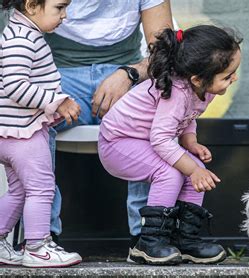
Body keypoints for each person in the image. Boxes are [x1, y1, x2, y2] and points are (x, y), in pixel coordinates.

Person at [98, 25, 242, 265]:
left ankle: (186, 240)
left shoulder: (201, 88)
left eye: (234, 72)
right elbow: (162, 139)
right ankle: (148, 243)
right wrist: (194, 170)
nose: (233, 78)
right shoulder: (176, 91)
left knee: (192, 166)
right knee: (171, 173)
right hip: (118, 143)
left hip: (145, 140)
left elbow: (187, 117)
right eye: (227, 76)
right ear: (197, 78)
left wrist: (190, 142)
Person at [41, 0, 172, 260]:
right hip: (57, 73)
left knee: (155, 115)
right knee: (32, 122)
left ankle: (147, 236)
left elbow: (166, 51)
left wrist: (130, 74)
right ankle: (41, 237)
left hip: (126, 73)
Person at [0, 0, 82, 267]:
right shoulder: (22, 38)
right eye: (59, 8)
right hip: (23, 132)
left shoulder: (22, 32)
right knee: (41, 188)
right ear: (32, 6)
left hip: (14, 131)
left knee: (20, 190)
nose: (64, 16)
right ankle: (37, 247)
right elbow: (14, 85)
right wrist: (58, 101)